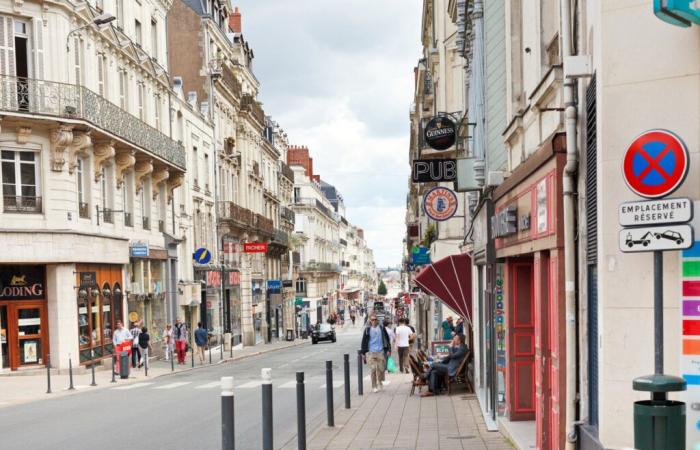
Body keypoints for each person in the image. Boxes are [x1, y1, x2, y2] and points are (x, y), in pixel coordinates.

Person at [361, 313, 391, 393]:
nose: (374, 321)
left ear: (377, 320)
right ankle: (374, 386)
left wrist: (388, 350)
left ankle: (380, 381)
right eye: (372, 320)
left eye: (375, 320)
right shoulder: (367, 330)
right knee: (373, 369)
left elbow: (387, 339)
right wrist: (363, 353)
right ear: (370, 321)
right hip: (371, 352)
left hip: (380, 351)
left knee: (381, 369)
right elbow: (363, 341)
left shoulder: (381, 328)